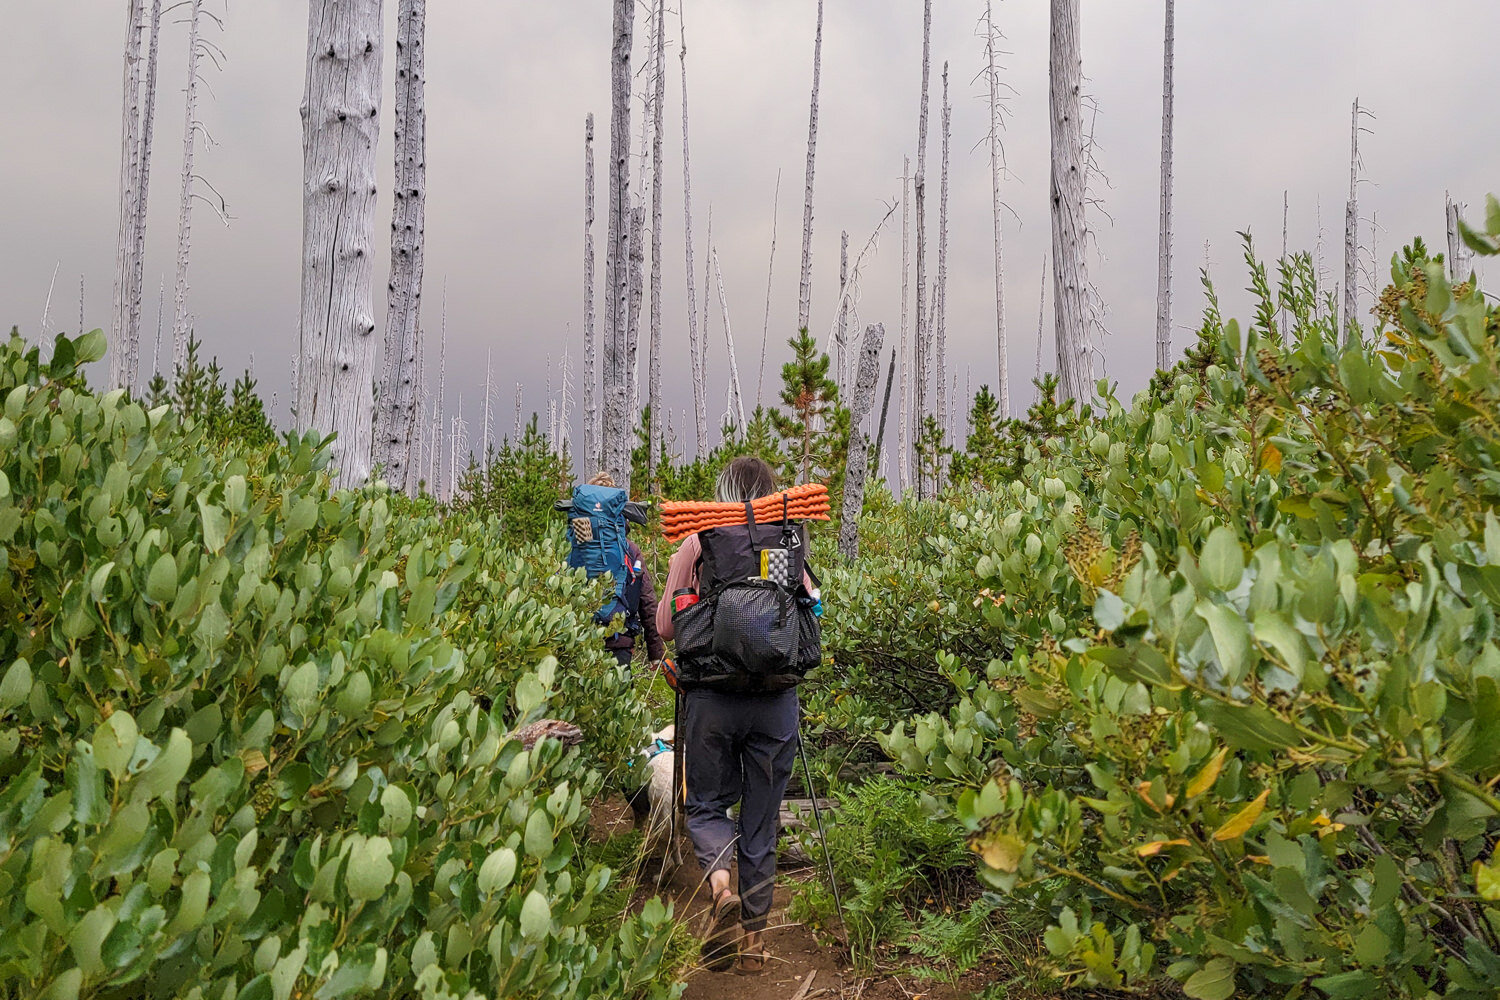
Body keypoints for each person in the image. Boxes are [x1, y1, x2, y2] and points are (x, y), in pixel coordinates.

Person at [656, 456, 816, 976]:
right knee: (762, 820)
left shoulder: (699, 541)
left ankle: (721, 890)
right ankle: (754, 944)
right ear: (771, 492)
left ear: (722, 491)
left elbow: (665, 627)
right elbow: (810, 610)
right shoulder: (787, 540)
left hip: (711, 699)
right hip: (775, 700)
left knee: (704, 804)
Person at [586, 473, 665, 673]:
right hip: (619, 642)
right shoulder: (630, 550)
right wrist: (656, 653)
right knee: (618, 699)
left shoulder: (577, 547)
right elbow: (647, 602)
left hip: (581, 642)